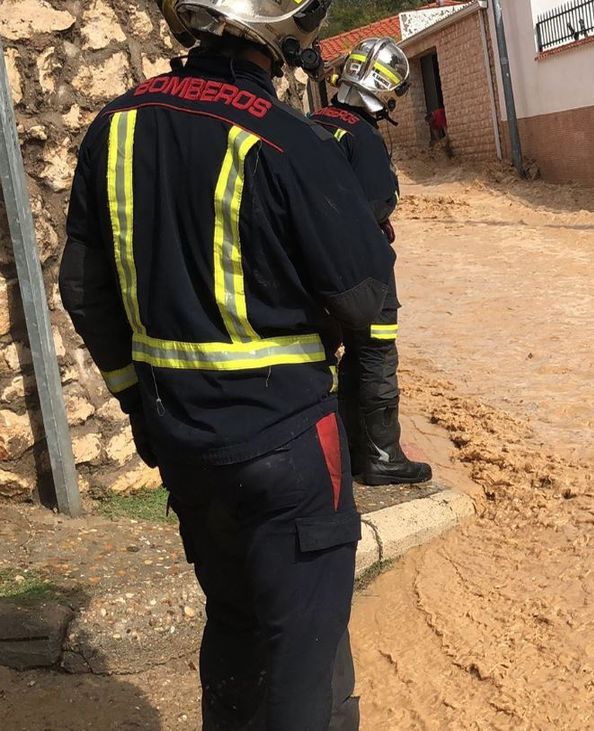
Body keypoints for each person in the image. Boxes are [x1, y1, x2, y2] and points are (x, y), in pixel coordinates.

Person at [59, 0, 395, 728]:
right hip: (290, 446)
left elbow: (83, 289)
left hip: (183, 443)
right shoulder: (285, 138)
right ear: (280, 32)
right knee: (305, 657)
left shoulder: (114, 125)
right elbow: (366, 298)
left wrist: (137, 403)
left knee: (236, 626)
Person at [311, 38, 433, 486]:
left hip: (314, 269)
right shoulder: (363, 135)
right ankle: (382, 456)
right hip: (364, 271)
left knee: (344, 358)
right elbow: (380, 203)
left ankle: (348, 450)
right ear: (383, 90)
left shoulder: (312, 121)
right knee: (377, 355)